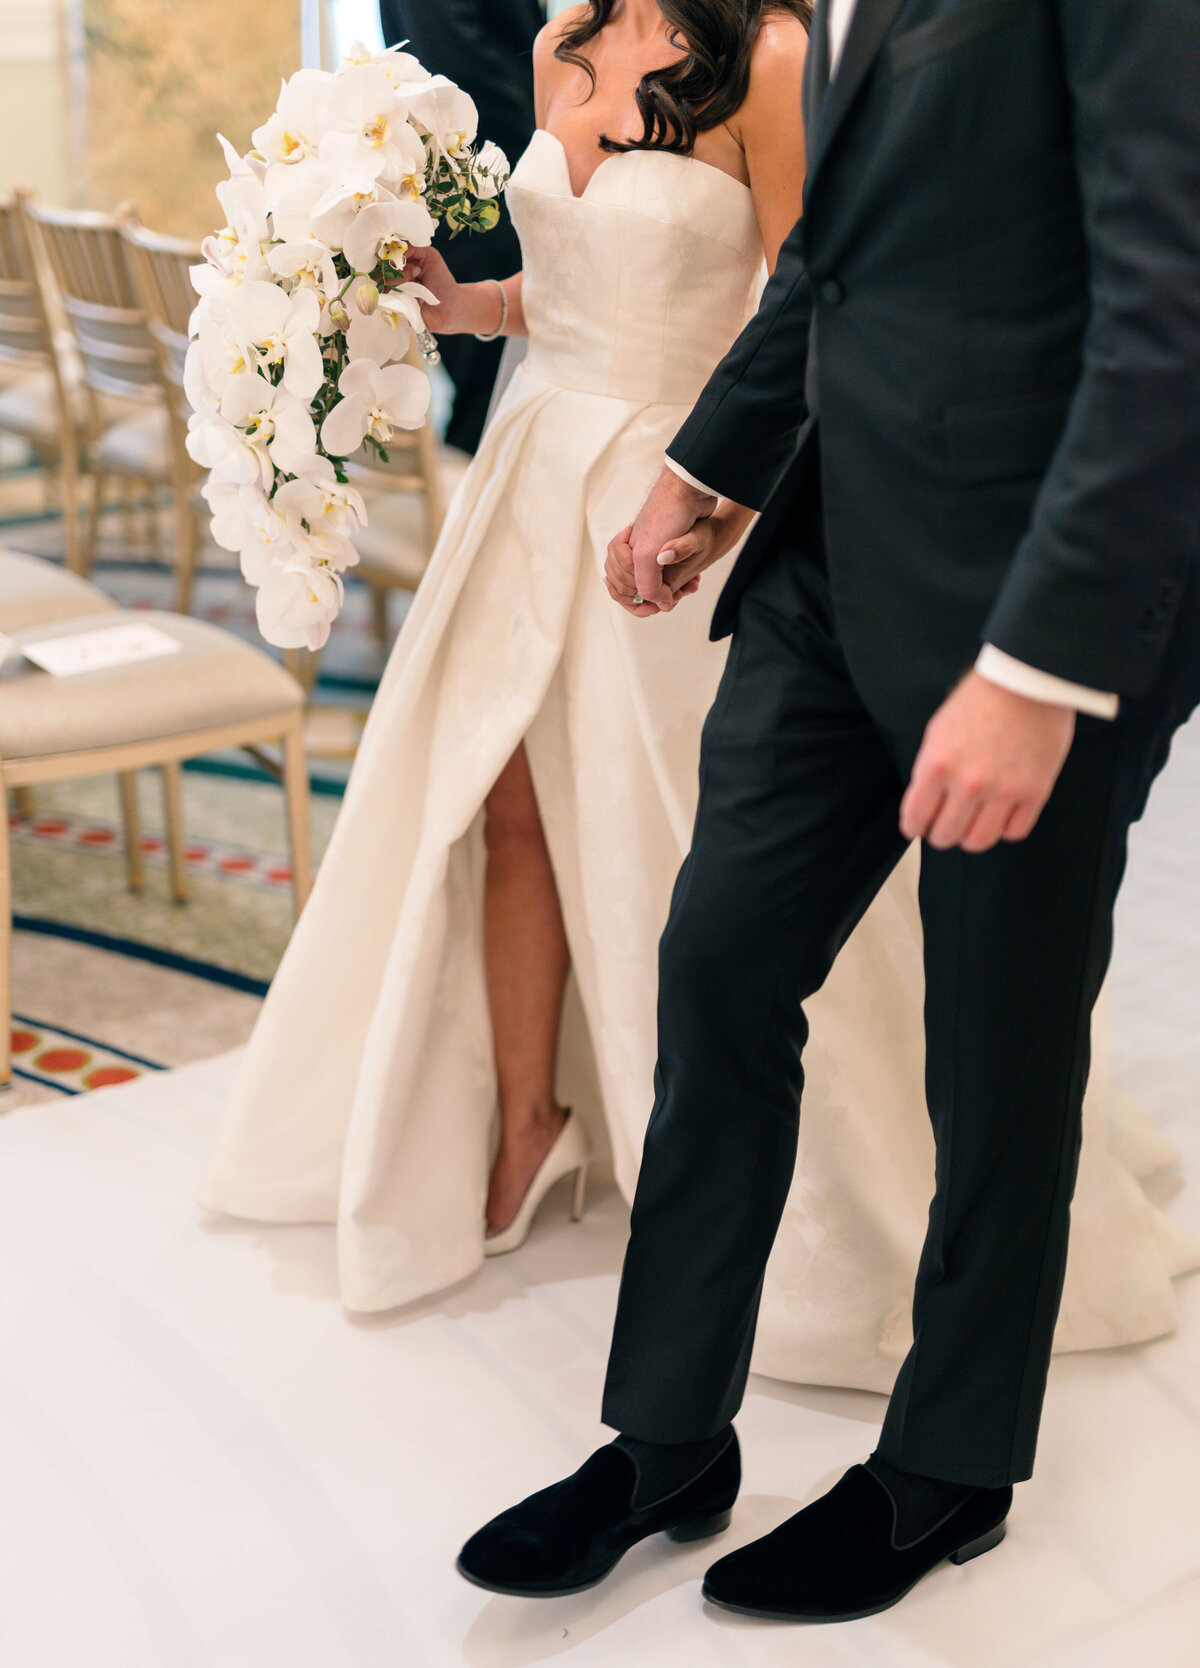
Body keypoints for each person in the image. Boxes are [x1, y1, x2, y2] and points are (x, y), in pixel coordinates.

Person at [456, 0, 1200, 1625]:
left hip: (1029, 600)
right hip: (821, 559)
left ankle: (949, 1465)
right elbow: (830, 266)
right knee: (718, 963)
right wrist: (703, 477)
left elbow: (1172, 310)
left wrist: (1039, 663)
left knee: (995, 1041)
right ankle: (663, 1439)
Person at [378, 0, 544, 451]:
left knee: (491, 409)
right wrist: (547, 148)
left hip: (484, 189)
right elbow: (459, 65)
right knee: (487, 411)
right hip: (482, 196)